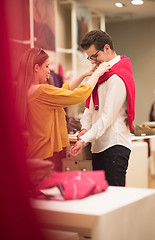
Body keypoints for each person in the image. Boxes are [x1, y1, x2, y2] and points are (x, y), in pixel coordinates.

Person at [16, 47, 110, 172]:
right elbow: (80, 95)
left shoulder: (28, 91)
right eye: (47, 66)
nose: (49, 71)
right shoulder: (41, 91)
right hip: (46, 155)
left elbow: (63, 91)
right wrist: (98, 74)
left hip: (36, 153)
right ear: (36, 68)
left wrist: (84, 75)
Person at [69, 30, 135, 187]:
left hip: (114, 146)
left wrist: (84, 139)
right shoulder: (101, 74)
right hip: (98, 146)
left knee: (114, 202)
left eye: (94, 56)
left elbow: (106, 118)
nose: (92, 61)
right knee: (101, 201)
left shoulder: (117, 76)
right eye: (90, 57)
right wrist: (85, 128)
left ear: (107, 48)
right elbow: (91, 109)